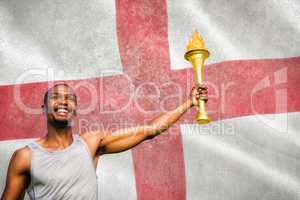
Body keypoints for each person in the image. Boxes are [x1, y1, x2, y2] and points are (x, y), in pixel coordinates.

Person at [1, 83, 208, 200]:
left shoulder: (91, 143)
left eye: (70, 99)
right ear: (44, 107)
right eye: (55, 97)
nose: (63, 101)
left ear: (75, 109)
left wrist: (188, 103)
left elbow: (151, 130)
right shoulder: (26, 156)